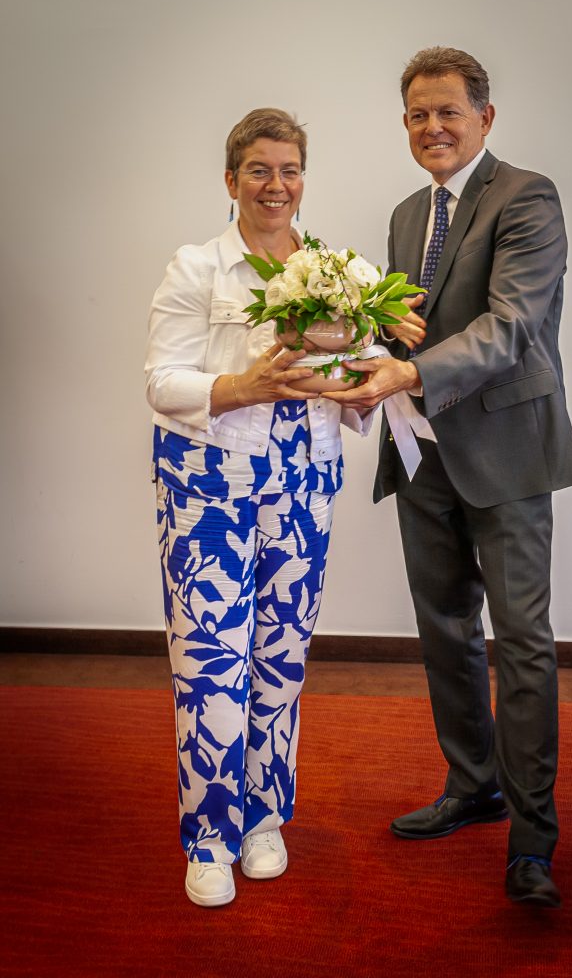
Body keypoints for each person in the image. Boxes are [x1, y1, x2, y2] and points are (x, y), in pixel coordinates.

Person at [324, 48, 572, 907]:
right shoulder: (406, 215)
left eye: (446, 112)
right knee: (443, 632)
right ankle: (472, 787)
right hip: (420, 455)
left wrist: (409, 372)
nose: (430, 128)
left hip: (506, 456)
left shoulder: (526, 197)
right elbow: (406, 331)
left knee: (522, 644)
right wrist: (361, 369)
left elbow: (512, 327)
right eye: (414, 116)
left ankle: (533, 838)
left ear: (484, 118)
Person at [145, 108, 373, 907]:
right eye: (259, 170)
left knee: (279, 661)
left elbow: (360, 390)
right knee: (210, 663)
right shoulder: (197, 268)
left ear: (303, 178)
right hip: (209, 492)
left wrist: (358, 383)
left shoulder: (341, 271)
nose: (276, 185)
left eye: (289, 169)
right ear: (231, 180)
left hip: (304, 489)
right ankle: (206, 836)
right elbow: (160, 381)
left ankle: (262, 819)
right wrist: (243, 386)